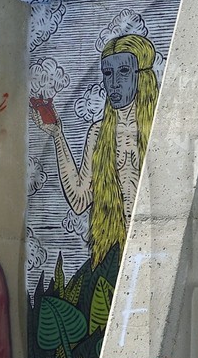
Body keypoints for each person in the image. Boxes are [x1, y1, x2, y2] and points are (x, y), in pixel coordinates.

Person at [30, 33, 160, 267]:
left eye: (124, 71)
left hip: (157, 249)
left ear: (142, 75)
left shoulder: (160, 130)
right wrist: (57, 135)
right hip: (114, 253)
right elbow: (80, 199)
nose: (114, 83)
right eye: (108, 73)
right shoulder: (99, 132)